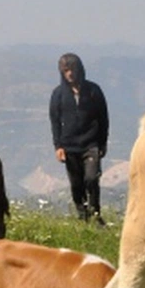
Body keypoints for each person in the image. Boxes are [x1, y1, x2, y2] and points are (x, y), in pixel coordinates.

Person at [49, 52, 110, 225]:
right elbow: (54, 120)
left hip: (91, 144)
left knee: (91, 178)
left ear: (79, 69)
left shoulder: (93, 91)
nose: (70, 73)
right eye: (66, 70)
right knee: (76, 185)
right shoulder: (58, 94)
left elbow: (103, 117)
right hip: (69, 147)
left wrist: (103, 142)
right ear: (62, 72)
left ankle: (96, 213)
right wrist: (58, 146)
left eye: (72, 69)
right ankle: (83, 217)